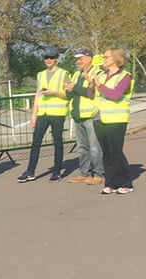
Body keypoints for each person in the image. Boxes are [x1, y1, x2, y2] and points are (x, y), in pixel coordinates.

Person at [17, 46, 70, 183]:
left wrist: (54, 93)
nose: (48, 60)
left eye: (51, 57)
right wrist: (34, 115)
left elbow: (67, 94)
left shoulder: (63, 74)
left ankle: (57, 171)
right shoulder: (40, 75)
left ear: (57, 59)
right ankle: (30, 171)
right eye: (46, 57)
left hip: (57, 113)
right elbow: (38, 94)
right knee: (36, 142)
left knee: (57, 142)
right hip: (43, 113)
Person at [91, 48, 134, 194]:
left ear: (116, 59)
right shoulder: (101, 75)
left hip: (116, 120)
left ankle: (125, 182)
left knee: (116, 152)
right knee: (107, 152)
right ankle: (111, 182)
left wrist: (100, 85)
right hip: (99, 118)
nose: (103, 59)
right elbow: (91, 94)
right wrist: (91, 82)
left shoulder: (125, 76)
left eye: (106, 57)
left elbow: (116, 95)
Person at [64, 49, 105, 185]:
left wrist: (74, 87)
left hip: (91, 115)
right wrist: (68, 89)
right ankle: (84, 173)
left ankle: (99, 174)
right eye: (77, 59)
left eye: (81, 58)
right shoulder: (76, 74)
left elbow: (91, 94)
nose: (78, 61)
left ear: (89, 58)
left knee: (95, 147)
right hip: (77, 115)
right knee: (82, 147)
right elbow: (71, 94)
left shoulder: (97, 73)